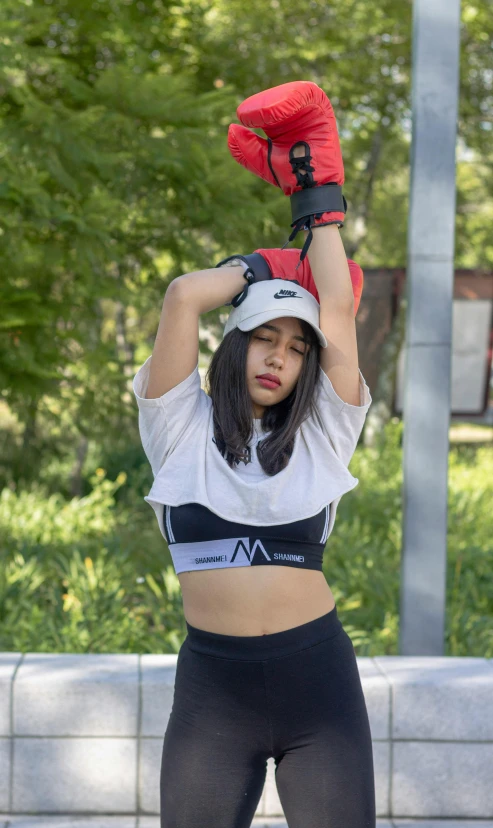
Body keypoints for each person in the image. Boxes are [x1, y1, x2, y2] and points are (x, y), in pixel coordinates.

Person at [132, 81, 376, 828]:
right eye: (263, 339)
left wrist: (316, 202)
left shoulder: (324, 434)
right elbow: (181, 296)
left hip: (317, 683)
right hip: (214, 692)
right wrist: (260, 268)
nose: (277, 358)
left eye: (295, 350)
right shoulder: (178, 428)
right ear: (236, 346)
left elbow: (334, 308)